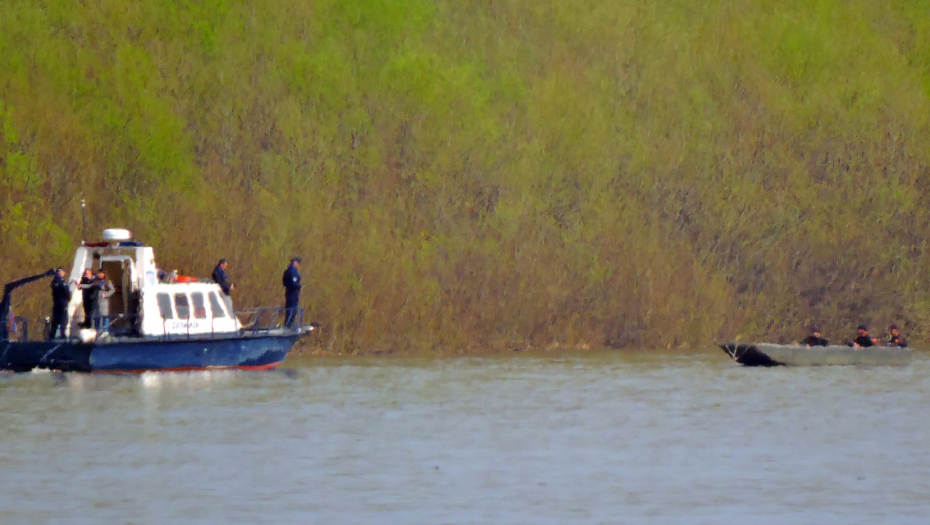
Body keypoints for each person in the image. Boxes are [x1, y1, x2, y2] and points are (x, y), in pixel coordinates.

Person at [49, 267, 72, 339]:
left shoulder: (54, 282)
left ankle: (52, 334)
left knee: (55, 319)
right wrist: (68, 299)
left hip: (56, 303)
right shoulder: (62, 282)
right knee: (63, 319)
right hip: (62, 303)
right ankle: (62, 334)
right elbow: (66, 292)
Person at [93, 269, 114, 333]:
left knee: (105, 316)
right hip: (97, 301)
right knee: (97, 317)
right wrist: (81, 286)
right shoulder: (96, 281)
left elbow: (113, 290)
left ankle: (106, 331)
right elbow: (90, 286)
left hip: (104, 301)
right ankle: (97, 331)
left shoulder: (107, 282)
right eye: (99, 273)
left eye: (101, 273)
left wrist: (106, 294)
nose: (100, 275)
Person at [283, 257, 302, 328]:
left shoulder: (287, 271)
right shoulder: (292, 271)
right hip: (292, 293)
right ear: (295, 263)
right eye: (298, 263)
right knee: (292, 310)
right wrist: (299, 286)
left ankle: (288, 325)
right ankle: (288, 326)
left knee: (291, 309)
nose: (298, 265)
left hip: (289, 292)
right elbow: (293, 283)